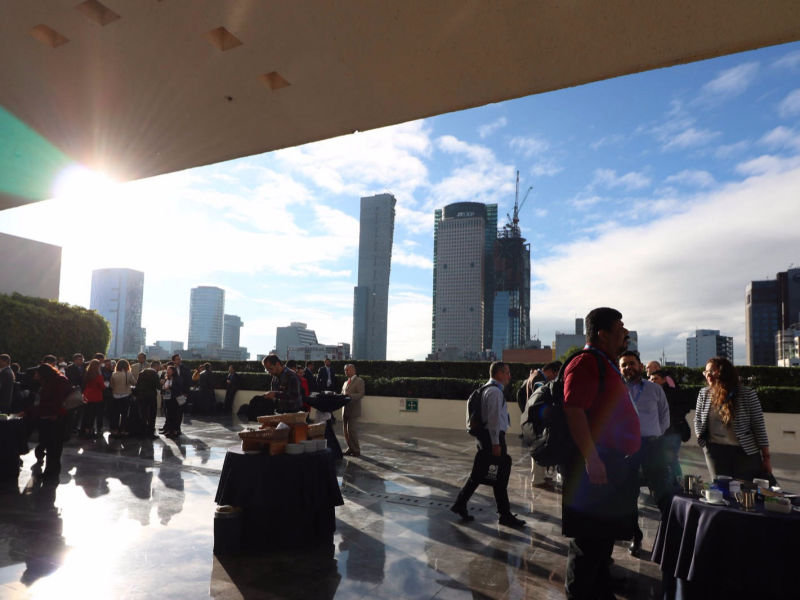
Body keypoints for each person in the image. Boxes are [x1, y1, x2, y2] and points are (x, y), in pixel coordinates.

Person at [562, 307, 640, 600]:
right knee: (588, 545)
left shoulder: (604, 363)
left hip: (609, 463)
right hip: (596, 467)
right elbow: (574, 409)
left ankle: (600, 592)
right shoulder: (585, 362)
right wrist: (592, 458)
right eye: (620, 328)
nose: (625, 332)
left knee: (601, 543)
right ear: (602, 334)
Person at [450, 361, 526, 528]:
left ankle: (460, 504)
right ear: (498, 373)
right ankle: (504, 515)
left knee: (480, 474)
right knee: (500, 475)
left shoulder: (486, 389)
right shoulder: (494, 392)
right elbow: (493, 420)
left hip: (486, 438)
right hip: (493, 439)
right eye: (507, 372)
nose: (509, 376)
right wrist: (496, 443)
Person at [619, 350, 671, 557]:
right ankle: (635, 536)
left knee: (662, 493)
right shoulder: (617, 391)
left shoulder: (654, 389)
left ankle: (669, 539)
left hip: (652, 446)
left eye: (631, 363)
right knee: (628, 496)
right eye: (624, 365)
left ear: (640, 366)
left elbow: (665, 416)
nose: (628, 368)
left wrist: (655, 434)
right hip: (627, 450)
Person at [694, 356, 771, 481]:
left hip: (743, 452)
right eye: (706, 372)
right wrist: (700, 436)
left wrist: (766, 457)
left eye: (712, 371)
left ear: (724, 372)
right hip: (715, 451)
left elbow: (758, 426)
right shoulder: (704, 393)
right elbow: (698, 418)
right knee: (720, 488)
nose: (708, 375)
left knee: (744, 489)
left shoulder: (747, 394)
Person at [519, 361, 561, 489]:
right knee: (539, 447)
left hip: (531, 417)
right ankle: (538, 479)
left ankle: (541, 477)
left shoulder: (534, 375)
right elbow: (541, 400)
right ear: (552, 371)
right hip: (536, 419)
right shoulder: (539, 379)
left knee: (539, 446)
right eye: (557, 374)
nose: (556, 378)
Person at [26, 363, 71, 483]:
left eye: (37, 373)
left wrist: (53, 413)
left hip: (55, 418)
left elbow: (55, 402)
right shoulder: (55, 380)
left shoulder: (57, 381)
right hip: (52, 417)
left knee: (53, 447)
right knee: (53, 447)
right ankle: (51, 472)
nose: (35, 375)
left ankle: (51, 473)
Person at [650, 369, 692, 482]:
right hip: (658, 433)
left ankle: (677, 483)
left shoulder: (673, 392)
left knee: (671, 459)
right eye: (651, 379)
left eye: (656, 379)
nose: (652, 381)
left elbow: (685, 407)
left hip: (672, 432)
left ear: (664, 380)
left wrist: (673, 418)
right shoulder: (651, 393)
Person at [341, 363, 365, 457]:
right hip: (345, 409)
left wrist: (350, 396)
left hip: (353, 410)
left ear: (353, 370)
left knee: (352, 430)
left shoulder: (359, 381)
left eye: (347, 370)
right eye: (345, 370)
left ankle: (356, 450)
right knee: (345, 431)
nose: (346, 372)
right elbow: (342, 394)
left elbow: (361, 394)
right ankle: (350, 448)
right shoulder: (345, 382)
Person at [134, 360, 161, 439]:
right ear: (156, 366)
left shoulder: (142, 373)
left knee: (143, 415)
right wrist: (162, 383)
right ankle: (150, 433)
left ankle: (142, 433)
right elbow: (158, 386)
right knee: (152, 415)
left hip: (142, 397)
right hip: (151, 397)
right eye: (159, 366)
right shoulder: (155, 374)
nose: (159, 368)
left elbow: (137, 385)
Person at [80, 358, 106, 438]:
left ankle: (84, 430)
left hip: (87, 395)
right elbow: (102, 387)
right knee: (92, 415)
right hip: (96, 397)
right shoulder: (98, 376)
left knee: (86, 414)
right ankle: (89, 431)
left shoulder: (87, 374)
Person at [109, 359, 135, 438]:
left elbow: (111, 385)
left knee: (115, 414)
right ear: (127, 366)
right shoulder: (129, 374)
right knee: (125, 414)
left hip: (115, 396)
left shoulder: (113, 374)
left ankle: (115, 430)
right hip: (126, 396)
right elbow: (134, 382)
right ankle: (123, 430)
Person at [161, 365, 184, 438]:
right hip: (167, 398)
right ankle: (169, 430)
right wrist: (163, 388)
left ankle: (175, 430)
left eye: (169, 370)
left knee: (175, 415)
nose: (167, 371)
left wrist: (169, 387)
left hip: (175, 399)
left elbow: (179, 387)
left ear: (173, 371)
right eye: (167, 370)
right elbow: (164, 387)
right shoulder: (166, 378)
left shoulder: (178, 378)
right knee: (169, 415)